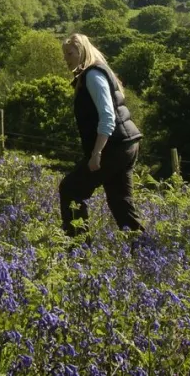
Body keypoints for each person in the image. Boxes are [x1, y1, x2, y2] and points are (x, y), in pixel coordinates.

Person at [58, 32, 144, 237]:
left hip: (113, 146)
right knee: (120, 202)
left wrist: (97, 153)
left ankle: (78, 247)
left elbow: (107, 117)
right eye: (65, 55)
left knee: (71, 189)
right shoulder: (96, 73)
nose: (66, 59)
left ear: (82, 51)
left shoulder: (93, 76)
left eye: (70, 53)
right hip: (126, 143)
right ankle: (144, 250)